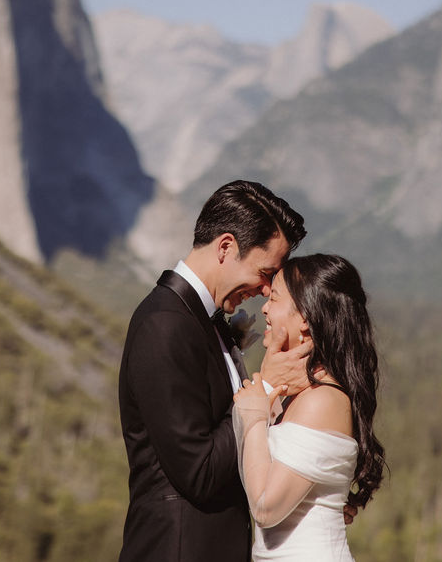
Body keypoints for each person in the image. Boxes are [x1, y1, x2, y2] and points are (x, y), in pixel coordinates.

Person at [118, 180, 312, 562]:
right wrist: (266, 386)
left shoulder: (200, 322)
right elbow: (200, 472)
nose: (265, 289)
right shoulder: (164, 325)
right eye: (265, 272)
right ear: (226, 247)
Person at [232, 254, 386, 561]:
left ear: (305, 316)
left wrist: (255, 413)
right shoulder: (300, 396)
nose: (264, 307)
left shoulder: (322, 400)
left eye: (274, 298)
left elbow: (265, 507)